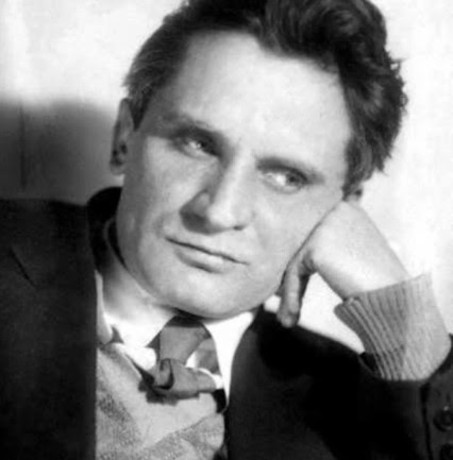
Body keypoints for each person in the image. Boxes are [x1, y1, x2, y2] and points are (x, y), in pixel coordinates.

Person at [1, 0, 452, 459]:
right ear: (124, 138)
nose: (219, 211)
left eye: (286, 177)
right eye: (197, 144)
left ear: (343, 211)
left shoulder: (348, 404)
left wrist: (407, 325)